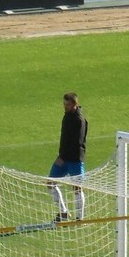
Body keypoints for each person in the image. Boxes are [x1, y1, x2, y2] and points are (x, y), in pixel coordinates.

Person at [48, 92, 88, 222]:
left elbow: (78, 143)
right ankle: (63, 212)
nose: (65, 106)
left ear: (75, 104)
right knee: (50, 183)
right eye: (64, 104)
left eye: (68, 104)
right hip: (63, 158)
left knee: (77, 188)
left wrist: (63, 156)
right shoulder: (67, 116)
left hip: (75, 160)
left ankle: (79, 218)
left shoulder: (79, 120)